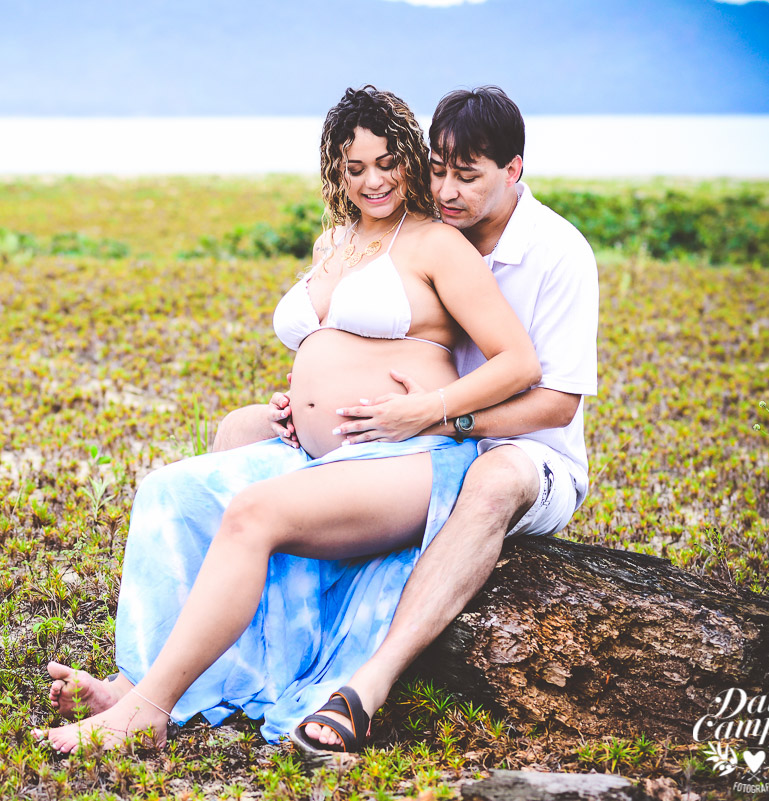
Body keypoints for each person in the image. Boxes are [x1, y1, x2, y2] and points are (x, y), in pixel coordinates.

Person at [39, 85, 540, 752]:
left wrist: (428, 408)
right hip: (322, 454)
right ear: (335, 170)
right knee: (170, 491)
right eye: (354, 168)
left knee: (253, 513)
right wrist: (300, 398)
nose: (372, 181)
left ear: (410, 158)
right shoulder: (332, 243)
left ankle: (147, 711)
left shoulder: (437, 244)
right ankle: (135, 682)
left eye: (387, 163)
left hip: (410, 456)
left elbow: (518, 361)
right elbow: (332, 345)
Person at [215, 86, 599, 752]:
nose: (447, 191)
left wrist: (440, 419)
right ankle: (234, 648)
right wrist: (310, 402)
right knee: (239, 431)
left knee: (492, 481)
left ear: (513, 169)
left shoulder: (557, 252)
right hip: (410, 435)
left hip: (525, 454)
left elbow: (557, 402)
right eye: (438, 170)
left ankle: (369, 684)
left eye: (468, 176)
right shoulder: (422, 232)